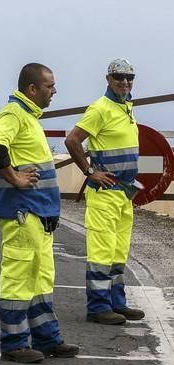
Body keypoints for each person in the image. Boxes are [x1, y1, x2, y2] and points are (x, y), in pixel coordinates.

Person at [0, 63, 79, 363]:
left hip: (39, 215)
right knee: (19, 275)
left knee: (40, 277)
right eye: (50, 85)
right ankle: (13, 343)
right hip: (21, 212)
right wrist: (15, 178)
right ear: (32, 89)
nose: (54, 90)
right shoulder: (14, 114)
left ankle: (47, 338)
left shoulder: (28, 117)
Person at [64, 58, 144, 326]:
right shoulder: (100, 108)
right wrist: (89, 172)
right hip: (104, 193)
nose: (125, 81)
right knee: (101, 251)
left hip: (123, 193)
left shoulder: (126, 107)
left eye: (129, 77)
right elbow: (72, 139)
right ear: (108, 79)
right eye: (119, 76)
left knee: (118, 251)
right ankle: (98, 306)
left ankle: (116, 302)